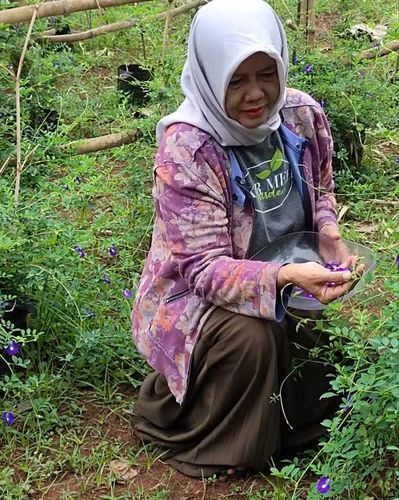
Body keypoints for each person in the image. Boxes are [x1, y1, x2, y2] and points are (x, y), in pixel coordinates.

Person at [130, 0, 355, 479]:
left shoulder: (300, 115)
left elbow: (323, 187)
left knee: (311, 342)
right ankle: (197, 430)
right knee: (255, 336)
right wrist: (288, 275)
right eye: (236, 80)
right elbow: (203, 271)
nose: (256, 94)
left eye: (266, 74)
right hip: (193, 298)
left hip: (278, 272)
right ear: (210, 77)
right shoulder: (187, 149)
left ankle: (283, 417)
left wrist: (330, 232)